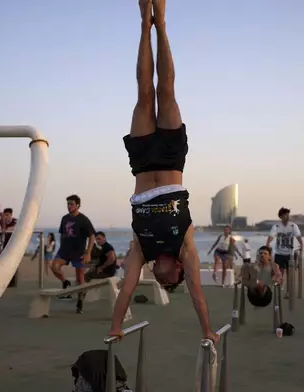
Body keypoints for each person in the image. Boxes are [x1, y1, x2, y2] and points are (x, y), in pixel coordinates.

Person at [108, 0, 217, 344]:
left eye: (157, 280)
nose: (158, 276)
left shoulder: (142, 250)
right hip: (170, 161)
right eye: (166, 281)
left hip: (141, 165)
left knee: (143, 94)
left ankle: (144, 24)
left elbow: (125, 289)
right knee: (166, 89)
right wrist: (207, 331)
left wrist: (115, 325)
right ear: (179, 272)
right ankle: (163, 24)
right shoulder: (186, 250)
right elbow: (198, 294)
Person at [51, 194, 96, 311]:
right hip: (65, 251)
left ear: (78, 205)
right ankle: (65, 282)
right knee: (54, 267)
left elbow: (92, 236)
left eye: (71, 204)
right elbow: (62, 234)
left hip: (78, 252)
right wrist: (60, 247)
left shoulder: (83, 220)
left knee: (80, 278)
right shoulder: (64, 218)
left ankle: (80, 302)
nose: (69, 206)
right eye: (68, 204)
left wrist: (88, 252)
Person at [265, 207, 303, 298]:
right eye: (285, 215)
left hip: (290, 254)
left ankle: (288, 292)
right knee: (279, 273)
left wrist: (301, 244)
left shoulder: (293, 226)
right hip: (279, 253)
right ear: (281, 216)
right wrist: (267, 245)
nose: (287, 216)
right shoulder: (277, 226)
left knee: (290, 274)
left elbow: (298, 236)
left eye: (288, 215)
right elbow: (271, 236)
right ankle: (277, 289)